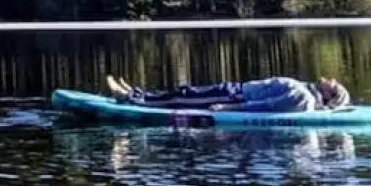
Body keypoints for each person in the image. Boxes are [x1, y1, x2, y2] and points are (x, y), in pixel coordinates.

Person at [104, 73, 351, 112]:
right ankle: (137, 93)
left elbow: (266, 105)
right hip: (234, 88)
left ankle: (130, 99)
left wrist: (229, 108)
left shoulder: (304, 98)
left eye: (333, 85)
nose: (331, 79)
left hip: (235, 98)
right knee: (185, 91)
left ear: (329, 96)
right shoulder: (306, 89)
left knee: (184, 97)